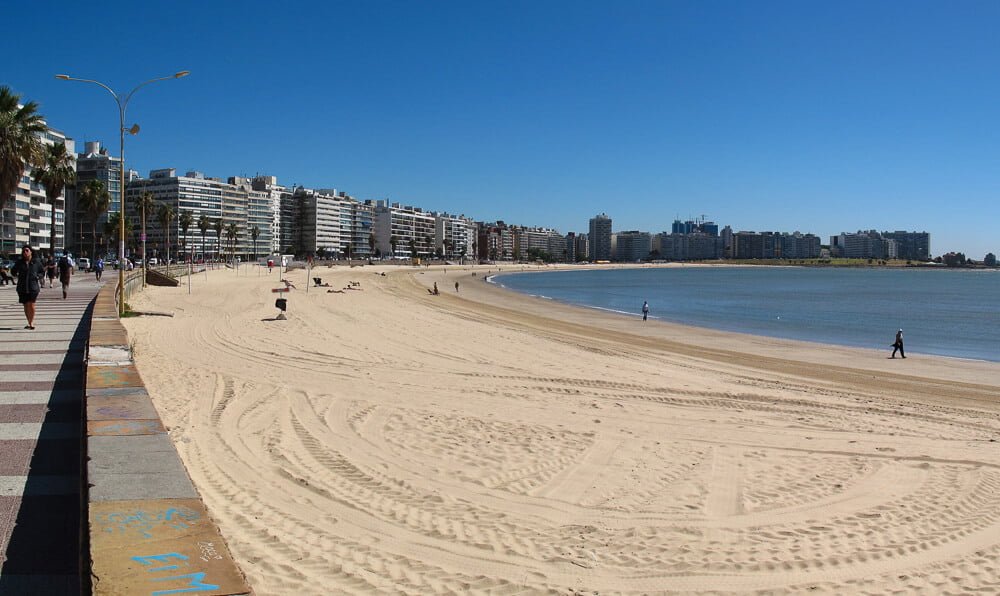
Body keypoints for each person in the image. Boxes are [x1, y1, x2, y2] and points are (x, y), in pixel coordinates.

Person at [12, 245, 43, 329]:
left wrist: (38, 276)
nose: (25, 252)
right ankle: (28, 321)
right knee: (25, 305)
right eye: (23, 251)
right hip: (22, 287)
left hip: (33, 287)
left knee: (31, 304)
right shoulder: (19, 262)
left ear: (31, 251)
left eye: (26, 250)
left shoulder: (36, 261)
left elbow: (42, 272)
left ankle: (31, 322)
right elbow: (13, 271)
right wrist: (16, 273)